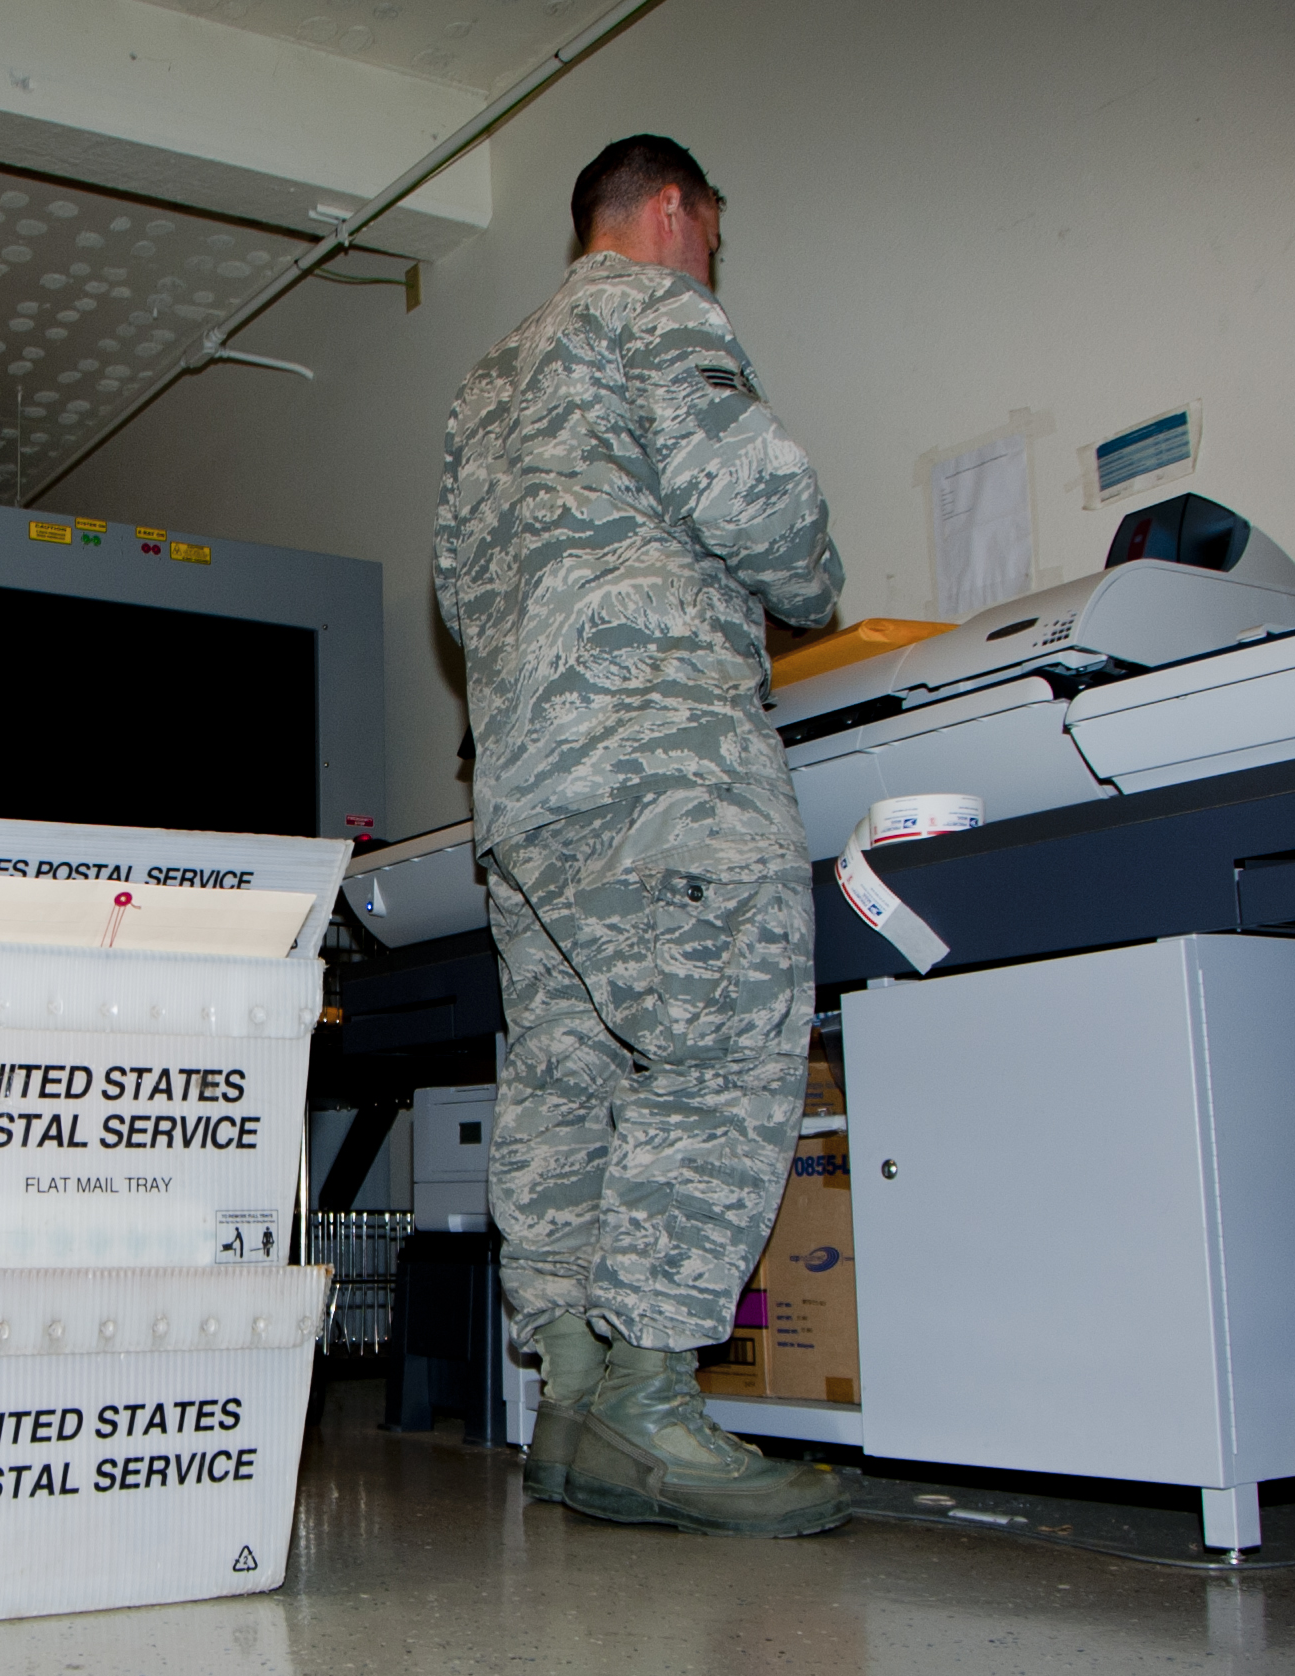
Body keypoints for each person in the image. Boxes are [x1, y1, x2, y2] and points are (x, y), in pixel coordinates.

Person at [432, 135, 847, 1537]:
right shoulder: (654, 308)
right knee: (722, 1036)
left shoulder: (483, 386)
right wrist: (817, 577)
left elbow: (459, 592)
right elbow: (763, 512)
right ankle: (655, 1408)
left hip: (528, 790)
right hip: (656, 757)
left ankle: (568, 1399)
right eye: (711, 235)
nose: (709, 259)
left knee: (568, 1075)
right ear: (673, 209)